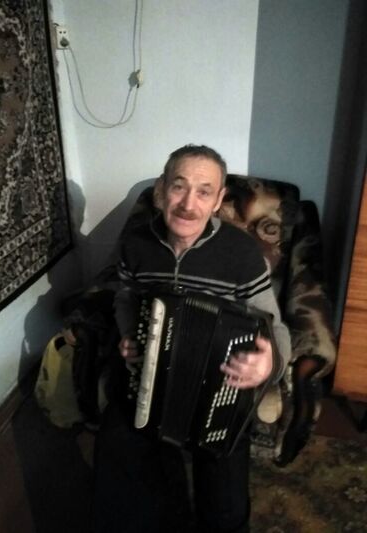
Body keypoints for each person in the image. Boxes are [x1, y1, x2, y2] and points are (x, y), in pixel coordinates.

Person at [91, 145, 291, 533]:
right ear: (161, 190)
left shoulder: (241, 253)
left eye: (204, 191)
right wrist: (129, 333)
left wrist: (271, 365)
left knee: (225, 506)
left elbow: (275, 326)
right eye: (179, 186)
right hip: (148, 381)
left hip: (220, 389)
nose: (188, 204)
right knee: (117, 469)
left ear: (218, 201)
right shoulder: (136, 244)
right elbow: (125, 297)